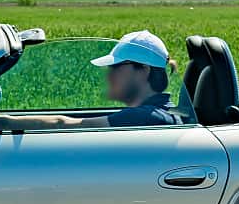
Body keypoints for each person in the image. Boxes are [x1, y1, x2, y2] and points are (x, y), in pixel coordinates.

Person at [11, 30, 182, 129]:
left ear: (143, 71)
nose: (109, 75)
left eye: (116, 68)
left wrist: (2, 122)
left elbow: (63, 124)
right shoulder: (163, 112)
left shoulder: (145, 118)